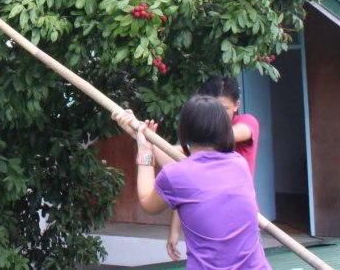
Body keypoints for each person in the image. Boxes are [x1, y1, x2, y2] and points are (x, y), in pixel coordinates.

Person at [114, 96, 271, 270]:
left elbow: (148, 202)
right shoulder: (238, 164)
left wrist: (145, 151)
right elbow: (185, 174)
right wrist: (147, 141)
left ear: (184, 131)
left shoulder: (177, 175)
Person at [166, 75, 261, 259]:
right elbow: (187, 186)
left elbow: (221, 137)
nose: (218, 116)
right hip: (208, 219)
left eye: (224, 109)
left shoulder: (247, 122)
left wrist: (159, 147)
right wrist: (175, 230)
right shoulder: (196, 145)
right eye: (213, 109)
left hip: (242, 217)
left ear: (237, 105)